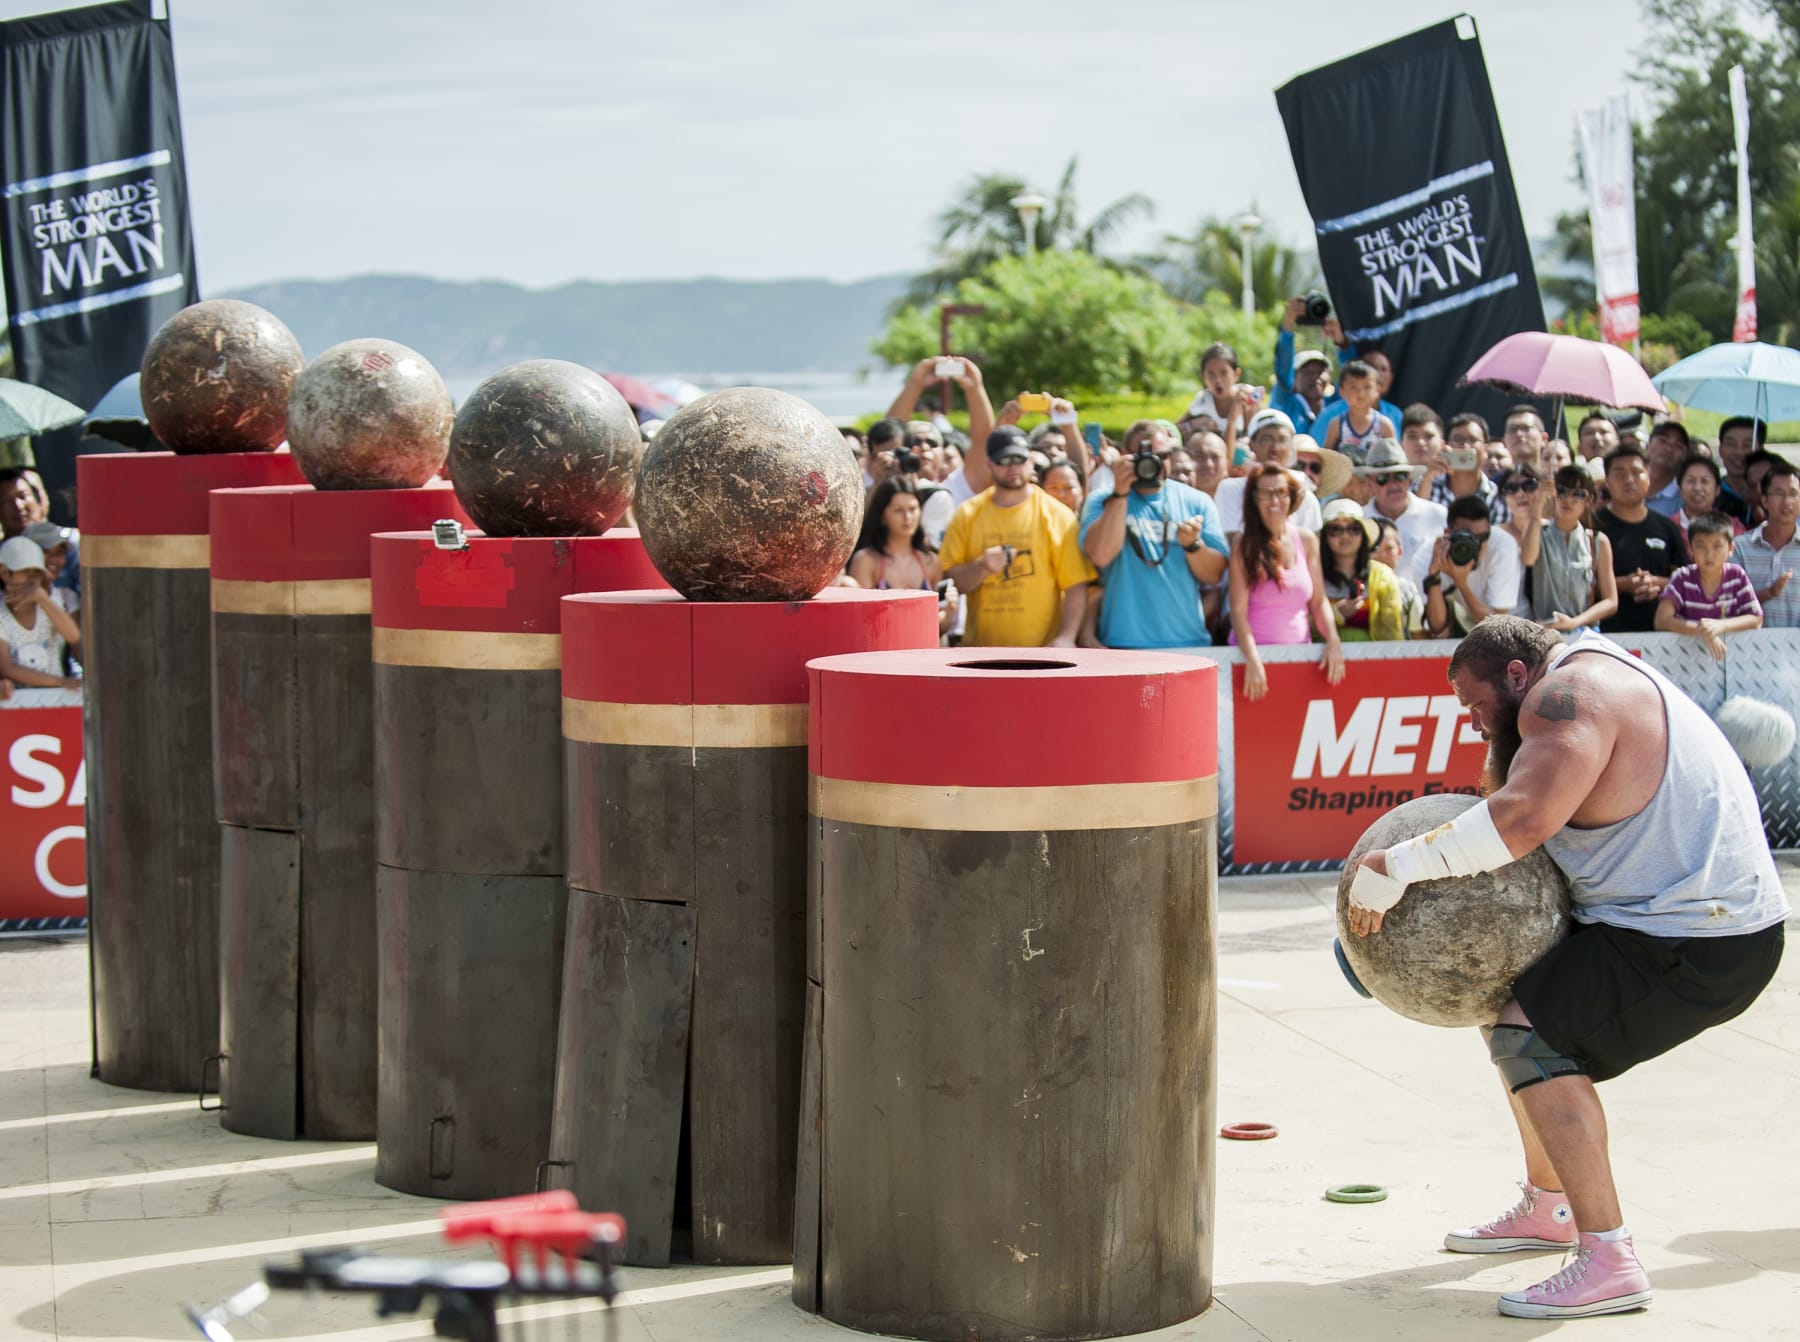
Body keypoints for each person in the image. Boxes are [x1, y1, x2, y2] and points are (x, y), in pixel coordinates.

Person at [1347, 615, 1786, 1319]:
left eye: (1474, 701)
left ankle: (1610, 1259)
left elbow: (1520, 820)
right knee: (1506, 1006)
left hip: (1703, 935)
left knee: (1531, 1038)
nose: (1472, 719)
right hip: (1659, 914)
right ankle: (1550, 1205)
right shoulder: (1574, 676)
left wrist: (1393, 869)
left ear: (1517, 676)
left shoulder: (1571, 696)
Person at [939, 427, 1094, 647]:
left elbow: (1076, 585)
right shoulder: (967, 514)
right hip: (980, 654)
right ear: (989, 464)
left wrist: (1066, 637)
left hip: (1043, 654)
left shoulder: (1057, 514)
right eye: (1004, 460)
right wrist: (982, 566)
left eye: (1019, 459)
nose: (1013, 467)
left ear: (1030, 461)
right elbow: (950, 581)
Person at [1079, 435, 1228, 649]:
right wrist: (1120, 494)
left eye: (1162, 456)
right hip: (1122, 643)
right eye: (1144, 458)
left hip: (1187, 642)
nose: (1154, 464)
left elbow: (1214, 576)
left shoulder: (1197, 501)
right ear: (1126, 458)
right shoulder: (1101, 500)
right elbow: (1101, 556)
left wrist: (1192, 545)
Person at [1227, 464, 1344, 698]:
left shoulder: (1307, 540)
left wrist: (1333, 639)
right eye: (1265, 493)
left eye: (1281, 492)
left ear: (1291, 497)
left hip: (1300, 659)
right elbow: (1238, 611)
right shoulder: (1244, 544)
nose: (1274, 500)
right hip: (1251, 662)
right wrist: (1252, 659)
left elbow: (1319, 601)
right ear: (1254, 499)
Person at [1593, 445, 1690, 634]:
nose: (1629, 480)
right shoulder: (1591, 526)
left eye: (1637, 472)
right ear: (1607, 482)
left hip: (1661, 636)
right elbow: (1576, 586)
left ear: (1649, 477)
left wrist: (1655, 583)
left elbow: (1686, 581)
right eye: (1619, 474)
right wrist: (1624, 585)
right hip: (1606, 635)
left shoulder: (1667, 527)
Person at [1653, 511, 1762, 660]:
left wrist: (1721, 626)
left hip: (1730, 659)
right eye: (1701, 546)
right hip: (1684, 658)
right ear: (1690, 550)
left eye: (1717, 546)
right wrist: (1703, 630)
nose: (1709, 554)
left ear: (1731, 548)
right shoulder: (1682, 577)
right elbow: (1662, 620)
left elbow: (1756, 619)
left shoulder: (1737, 576)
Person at [1524, 465, 1619, 632]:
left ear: (1589, 500)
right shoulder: (1538, 531)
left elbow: (1611, 601)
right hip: (1544, 631)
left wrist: (1575, 622)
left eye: (1578, 494)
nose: (1568, 499)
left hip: (1584, 632)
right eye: (1562, 491)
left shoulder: (1597, 541)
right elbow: (1528, 558)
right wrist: (1538, 505)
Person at [1423, 494, 1523, 638]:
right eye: (1468, 537)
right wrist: (1433, 576)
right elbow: (1437, 628)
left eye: (1483, 538)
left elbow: (1499, 629)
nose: (1478, 545)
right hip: (1463, 633)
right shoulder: (1428, 555)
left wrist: (1461, 584)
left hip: (1512, 632)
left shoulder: (1503, 547)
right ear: (1448, 533)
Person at [1212, 410, 1324, 535]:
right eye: (1266, 439)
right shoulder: (1230, 489)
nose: (1275, 448)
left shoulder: (1305, 496)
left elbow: (1310, 549)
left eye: (1282, 440)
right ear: (1251, 444)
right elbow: (1233, 545)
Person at [0, 536, 82, 706]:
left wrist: (44, 600)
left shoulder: (50, 604)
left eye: (36, 572)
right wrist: (61, 682)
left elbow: (73, 636)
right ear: (4, 573)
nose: (32, 579)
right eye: (25, 570)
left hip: (57, 703)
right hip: (17, 706)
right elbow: (7, 667)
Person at [1359, 441, 1444, 590]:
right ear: (1369, 482)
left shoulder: (1439, 516)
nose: (1393, 484)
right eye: (1382, 478)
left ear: (1410, 479)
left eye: (1399, 476)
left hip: (1430, 608)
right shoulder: (1359, 521)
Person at [1318, 498, 1405, 641]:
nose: (1345, 535)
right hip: (1321, 660)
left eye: (1354, 529)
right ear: (1324, 537)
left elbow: (1392, 632)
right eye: (1335, 529)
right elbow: (1302, 625)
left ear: (1363, 534)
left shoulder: (1383, 576)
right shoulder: (1312, 574)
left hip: (1373, 661)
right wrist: (1336, 613)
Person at [1731, 456, 1800, 628]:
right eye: (1778, 493)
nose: (1787, 502)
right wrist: (1769, 593)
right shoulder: (1739, 547)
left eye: (1793, 494)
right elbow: (1729, 602)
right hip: (1749, 648)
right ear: (1764, 500)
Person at [1418, 409, 1507, 524]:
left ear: (1485, 449)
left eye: (1473, 440)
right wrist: (1427, 478)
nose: (1465, 446)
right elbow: (1413, 523)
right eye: (1458, 440)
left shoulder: (1496, 497)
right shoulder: (1426, 482)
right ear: (1445, 446)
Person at [1270, 296, 1338, 436]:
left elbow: (1353, 373)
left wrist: (1340, 340)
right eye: (1307, 372)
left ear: (1330, 379)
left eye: (1320, 371)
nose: (1315, 377)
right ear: (1294, 380)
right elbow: (1283, 368)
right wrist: (1288, 326)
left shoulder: (1334, 406)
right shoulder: (1286, 403)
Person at [1177, 341, 1259, 448]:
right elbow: (1171, 429)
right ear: (1203, 377)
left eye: (1224, 373)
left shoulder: (1247, 396)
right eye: (1211, 374)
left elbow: (1257, 437)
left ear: (1236, 374)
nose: (1218, 380)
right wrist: (1192, 425)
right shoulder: (1203, 400)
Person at [1318, 361, 1394, 461]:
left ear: (1377, 390)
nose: (1361, 393)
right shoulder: (1337, 424)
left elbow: (1394, 458)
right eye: (1354, 387)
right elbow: (1326, 458)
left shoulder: (1384, 425)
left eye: (1367, 387)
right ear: (1342, 391)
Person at [1371, 516, 1425, 636]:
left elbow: (1419, 636)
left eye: (1389, 549)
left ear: (1399, 552)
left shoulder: (1408, 591)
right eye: (1374, 549)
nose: (1381, 556)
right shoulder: (1355, 589)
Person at [1672, 455, 1744, 541]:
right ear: (1680, 488)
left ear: (1717, 489)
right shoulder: (1667, 527)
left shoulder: (1733, 527)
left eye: (1704, 481)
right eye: (1691, 481)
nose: (1697, 488)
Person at [1715, 416, 1764, 520]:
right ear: (1720, 449)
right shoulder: (1711, 492)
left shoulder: (1771, 493)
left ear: (1761, 450)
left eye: (1747, 445)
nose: (1739, 452)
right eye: (1731, 444)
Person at [1641, 420, 1692, 518]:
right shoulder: (1628, 486)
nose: (1669, 449)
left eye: (1678, 446)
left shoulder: (1684, 500)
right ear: (1647, 445)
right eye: (1663, 441)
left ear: (1684, 456)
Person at [1500, 405, 1549, 477]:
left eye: (1526, 428)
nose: (1519, 434)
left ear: (1544, 439)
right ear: (1504, 442)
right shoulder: (1494, 485)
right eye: (1512, 429)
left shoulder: (1554, 484)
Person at [0, 468, 45, 540]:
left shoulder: (66, 543)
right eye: (7, 501)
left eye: (23, 496)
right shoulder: (3, 551)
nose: (19, 506)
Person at [1184, 431, 1228, 496]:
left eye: (1215, 457)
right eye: (1199, 456)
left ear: (1226, 464)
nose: (1208, 464)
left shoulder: (1240, 501)